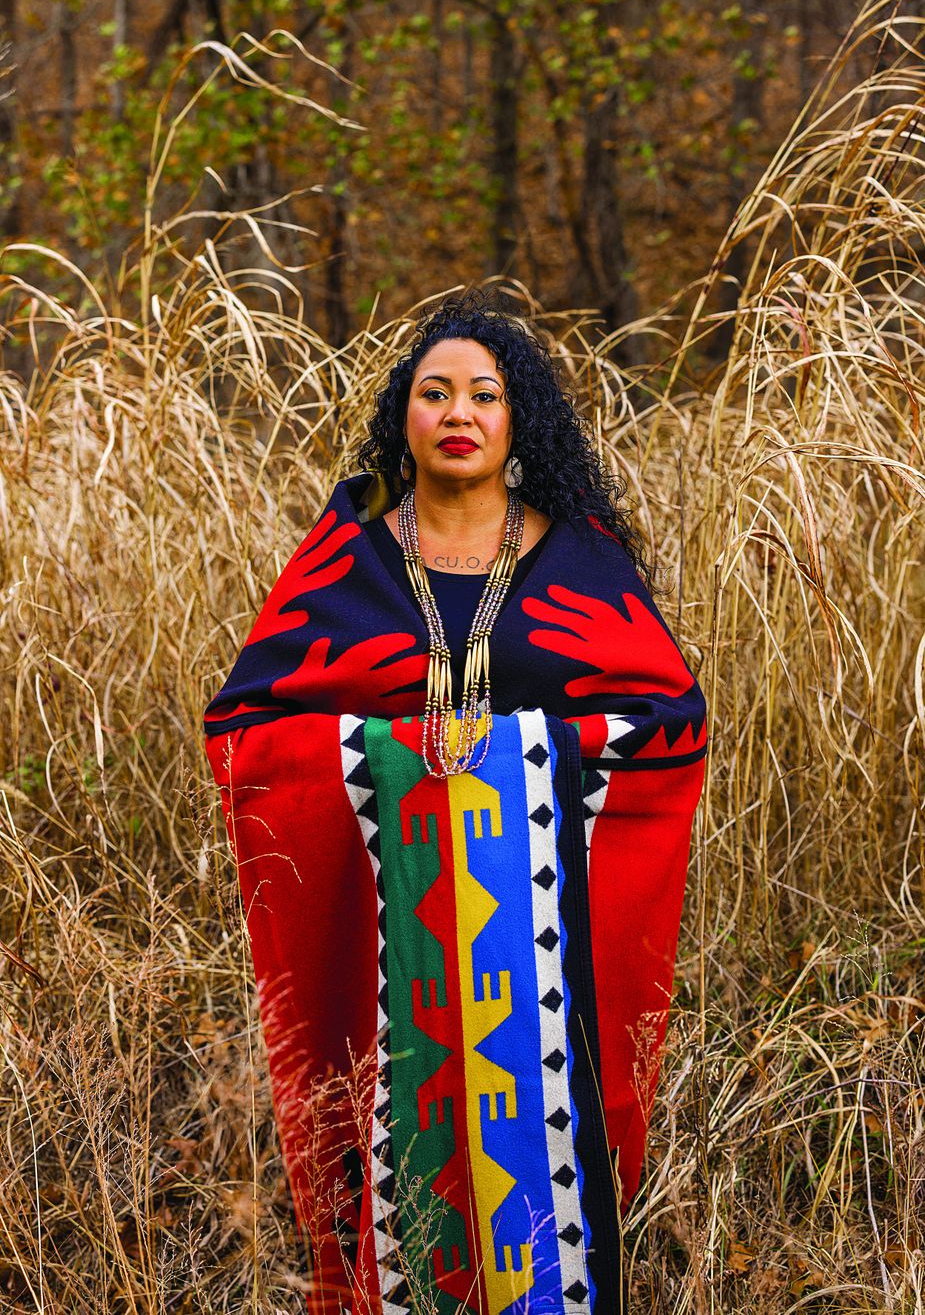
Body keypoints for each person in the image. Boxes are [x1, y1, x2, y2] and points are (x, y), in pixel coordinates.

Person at [203, 289, 708, 1315]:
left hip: (545, 957)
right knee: (384, 1165)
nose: (459, 412)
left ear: (518, 421)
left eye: (484, 393)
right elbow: (245, 731)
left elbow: (670, 723)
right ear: (406, 419)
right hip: (386, 948)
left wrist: (521, 758)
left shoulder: (578, 556)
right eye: (434, 394)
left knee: (554, 1162)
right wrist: (384, 756)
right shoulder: (343, 556)